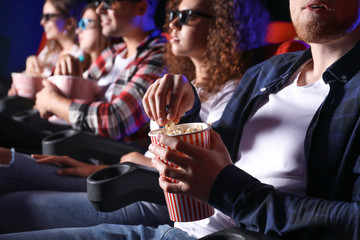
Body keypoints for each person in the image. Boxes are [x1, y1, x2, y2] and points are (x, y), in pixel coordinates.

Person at [1, 0, 358, 239]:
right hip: (181, 226)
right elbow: (214, 149)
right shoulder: (270, 71)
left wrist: (226, 189)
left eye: (186, 17)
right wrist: (186, 109)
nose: (173, 26)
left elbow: (351, 222)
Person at [0, 0, 167, 152]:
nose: (101, 9)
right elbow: (70, 93)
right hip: (72, 137)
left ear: (141, 7)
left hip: (101, 155)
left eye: (109, 3)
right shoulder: (113, 53)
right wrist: (63, 73)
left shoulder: (159, 56)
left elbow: (115, 120)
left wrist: (53, 102)